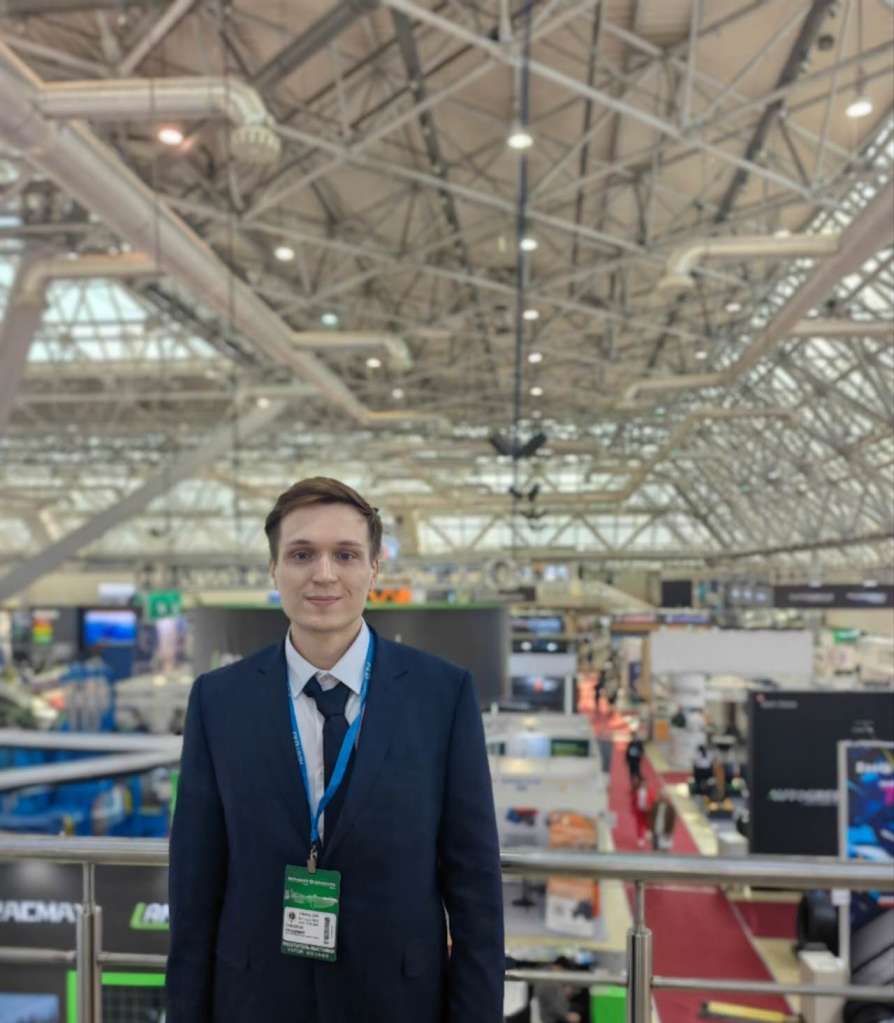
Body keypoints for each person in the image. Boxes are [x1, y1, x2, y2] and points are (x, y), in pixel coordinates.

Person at [167, 477, 505, 1023]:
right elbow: (194, 881)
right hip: (255, 1000)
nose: (323, 574)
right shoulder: (218, 700)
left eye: (345, 555)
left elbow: (474, 885)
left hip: (398, 1002)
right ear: (274, 569)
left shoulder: (442, 696)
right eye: (302, 554)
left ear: (374, 569)